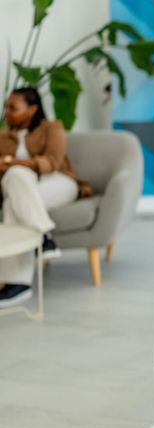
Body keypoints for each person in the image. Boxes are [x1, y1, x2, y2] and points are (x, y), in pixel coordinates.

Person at [0, 87, 92, 305]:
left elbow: (52, 162)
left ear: (32, 109)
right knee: (15, 189)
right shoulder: (3, 136)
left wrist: (10, 162)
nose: (6, 112)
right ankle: (44, 237)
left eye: (13, 107)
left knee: (15, 175)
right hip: (21, 188)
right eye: (5, 107)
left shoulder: (52, 128)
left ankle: (18, 284)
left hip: (58, 183)